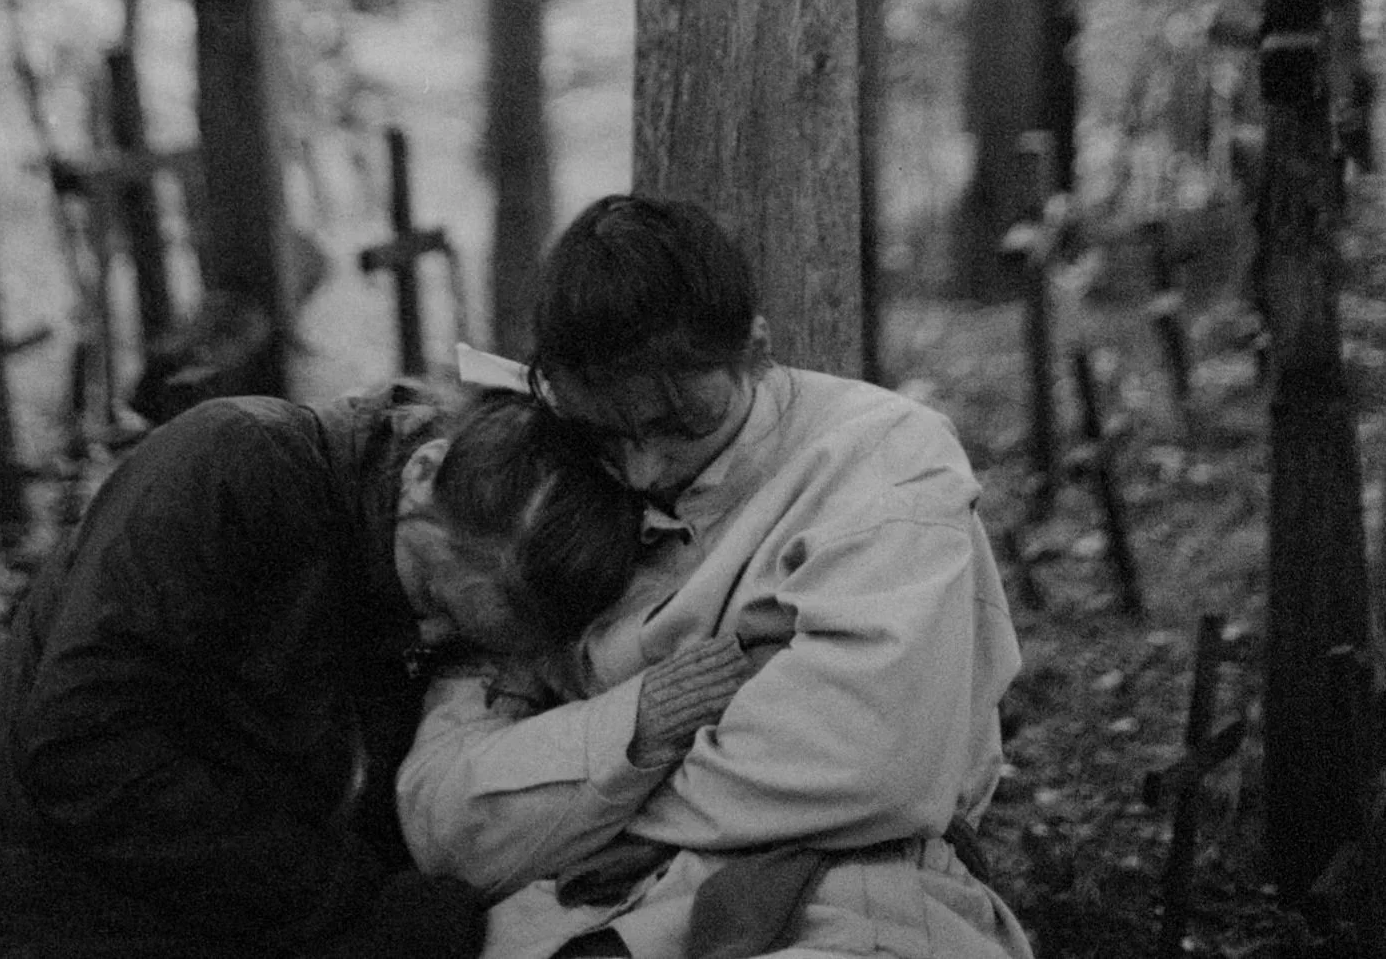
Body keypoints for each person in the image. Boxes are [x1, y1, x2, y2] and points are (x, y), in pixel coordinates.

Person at [398, 196, 1035, 959]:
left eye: (680, 425)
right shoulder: (538, 489)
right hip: (574, 915)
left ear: (756, 352)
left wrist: (569, 805)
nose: (640, 468)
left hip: (846, 896)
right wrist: (641, 726)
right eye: (607, 432)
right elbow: (446, 819)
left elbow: (872, 769)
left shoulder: (884, 460)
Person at [0, 384, 644, 959]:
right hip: (16, 905)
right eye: (431, 596)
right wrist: (350, 899)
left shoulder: (395, 579)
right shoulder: (235, 467)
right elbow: (81, 748)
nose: (427, 633)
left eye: (459, 636)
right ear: (422, 470)